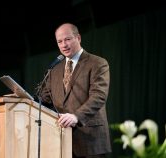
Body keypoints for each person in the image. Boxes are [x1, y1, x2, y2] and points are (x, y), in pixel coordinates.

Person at [40, 23, 112, 158]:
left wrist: (76, 116)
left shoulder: (97, 63)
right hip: (61, 141)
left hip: (91, 140)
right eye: (59, 41)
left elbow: (99, 96)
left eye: (67, 39)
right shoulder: (54, 70)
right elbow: (44, 100)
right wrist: (23, 100)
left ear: (78, 38)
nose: (63, 45)